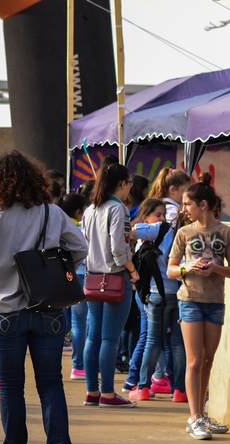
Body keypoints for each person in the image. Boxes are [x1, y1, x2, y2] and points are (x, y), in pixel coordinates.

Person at [0, 150, 87, 444]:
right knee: (51, 383)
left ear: (1, 182)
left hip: (5, 311)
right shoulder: (51, 212)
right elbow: (80, 247)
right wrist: (53, 268)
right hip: (48, 307)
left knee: (10, 385)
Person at [167, 174, 230, 439]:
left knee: (208, 360)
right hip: (189, 300)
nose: (184, 209)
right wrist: (189, 266)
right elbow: (171, 269)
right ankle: (194, 417)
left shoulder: (227, 232)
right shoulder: (184, 233)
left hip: (215, 302)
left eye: (188, 203)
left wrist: (214, 268)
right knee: (195, 360)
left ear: (204, 204)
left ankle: (202, 414)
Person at [82, 163, 140, 408]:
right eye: (129, 183)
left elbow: (82, 245)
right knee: (109, 339)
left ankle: (92, 392)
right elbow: (119, 248)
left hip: (93, 277)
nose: (130, 188)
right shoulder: (118, 209)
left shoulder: (90, 209)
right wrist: (133, 271)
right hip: (115, 278)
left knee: (93, 337)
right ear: (122, 184)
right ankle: (107, 393)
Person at [129, 198, 187, 403]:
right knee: (177, 343)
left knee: (152, 341)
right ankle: (179, 391)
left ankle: (143, 387)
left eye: (165, 214)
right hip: (179, 294)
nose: (163, 218)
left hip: (155, 294)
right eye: (159, 214)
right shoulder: (185, 233)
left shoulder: (159, 230)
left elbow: (130, 230)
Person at [57, 193, 89, 380]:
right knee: (80, 324)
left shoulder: (58, 223)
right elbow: (84, 250)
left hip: (62, 276)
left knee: (65, 321)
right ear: (79, 211)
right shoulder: (79, 226)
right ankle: (78, 366)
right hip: (80, 275)